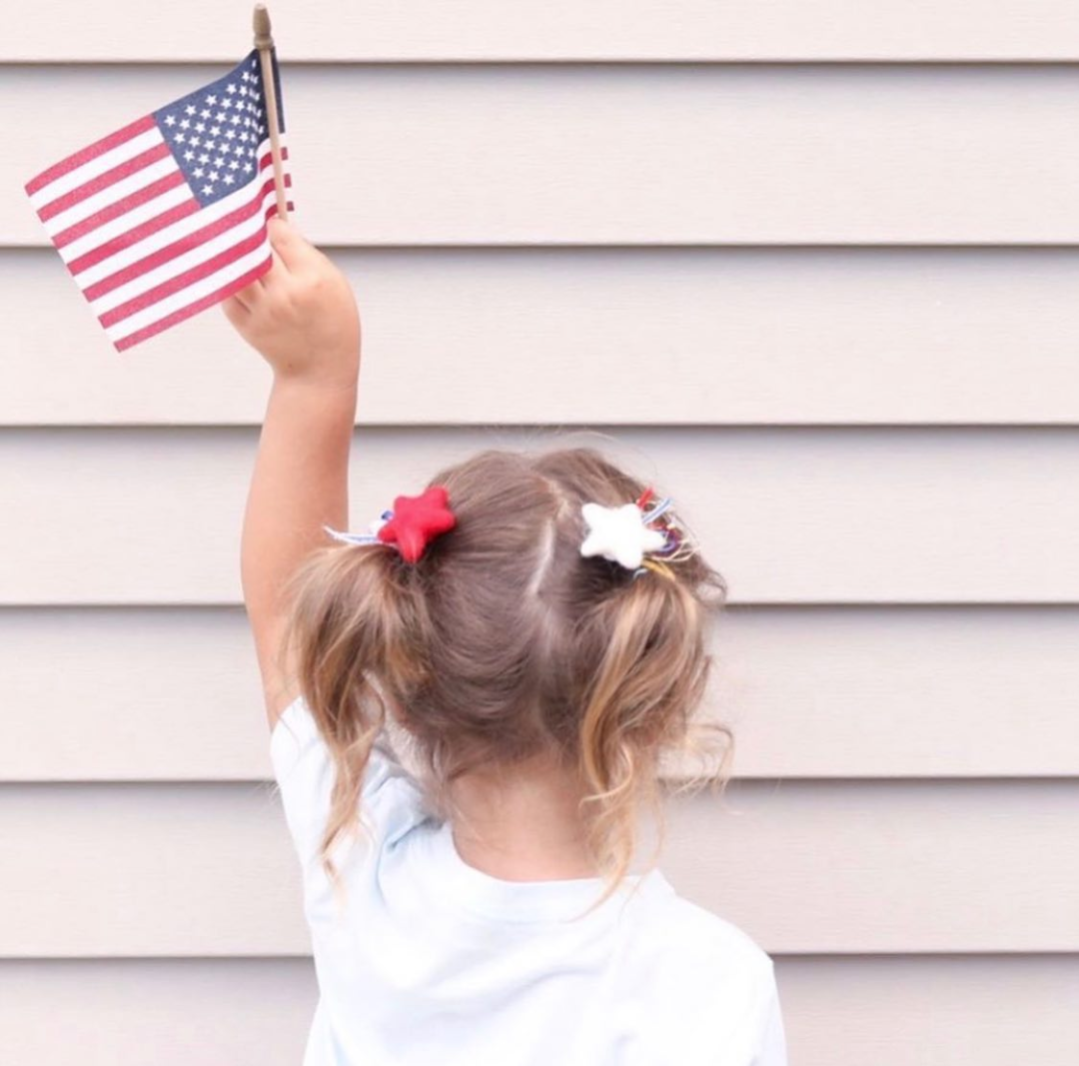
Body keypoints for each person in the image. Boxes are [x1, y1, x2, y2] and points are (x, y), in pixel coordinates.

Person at [223, 216, 789, 1066]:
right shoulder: (710, 982)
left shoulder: (363, 875)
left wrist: (314, 376)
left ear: (407, 679)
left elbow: (283, 623)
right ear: (652, 708)